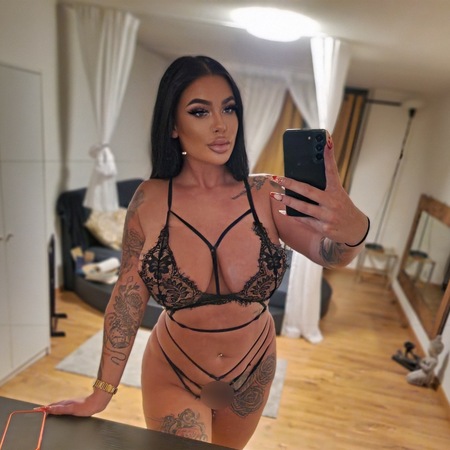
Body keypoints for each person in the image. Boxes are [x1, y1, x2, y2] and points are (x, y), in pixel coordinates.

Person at [45, 55, 369, 449]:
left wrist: (355, 227)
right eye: (200, 111)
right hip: (174, 371)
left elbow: (330, 254)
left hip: (253, 370)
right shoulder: (149, 200)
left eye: (229, 109)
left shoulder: (266, 194)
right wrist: (101, 393)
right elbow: (127, 300)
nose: (221, 124)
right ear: (172, 125)